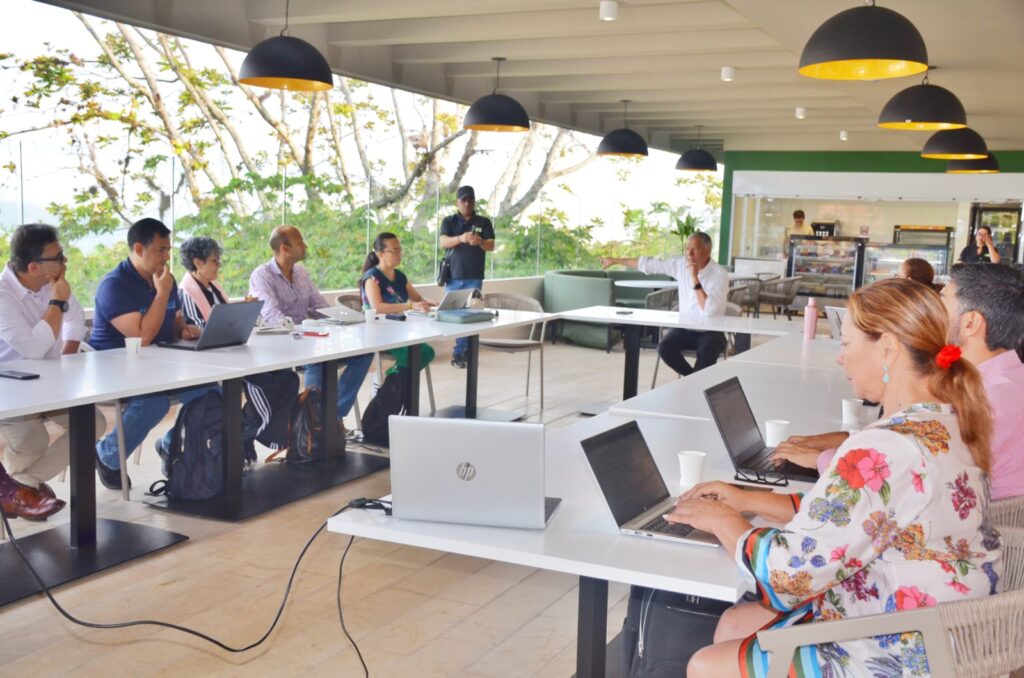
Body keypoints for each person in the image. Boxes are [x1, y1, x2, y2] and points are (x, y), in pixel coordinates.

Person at [670, 278, 1001, 678]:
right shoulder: (946, 420)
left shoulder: (886, 446)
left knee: (704, 665)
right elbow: (853, 516)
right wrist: (746, 499)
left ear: (888, 348)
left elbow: (790, 576)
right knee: (735, 625)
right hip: (949, 631)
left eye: (845, 344)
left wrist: (725, 522)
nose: (840, 358)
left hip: (906, 648)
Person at [775, 263, 1024, 502]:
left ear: (971, 323)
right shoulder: (1000, 382)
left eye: (942, 300)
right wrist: (832, 442)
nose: (930, 309)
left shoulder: (990, 401)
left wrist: (821, 458)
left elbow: (897, 479)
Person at [90, 218, 216, 490]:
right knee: (155, 401)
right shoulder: (115, 285)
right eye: (161, 250)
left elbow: (175, 322)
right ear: (138, 248)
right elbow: (142, 337)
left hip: (157, 365)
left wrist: (184, 330)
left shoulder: (164, 281)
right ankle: (106, 456)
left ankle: (172, 445)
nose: (166, 257)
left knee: (210, 394)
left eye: (168, 250)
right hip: (114, 368)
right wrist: (161, 294)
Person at [0, 223, 105, 519]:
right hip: (9, 388)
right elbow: (31, 349)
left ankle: (22, 486)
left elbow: (74, 322)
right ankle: (19, 494)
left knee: (92, 423)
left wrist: (68, 355)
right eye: (58, 257)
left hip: (51, 380)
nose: (64, 262)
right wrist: (56, 301)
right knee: (34, 441)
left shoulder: (54, 283)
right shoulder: (3, 295)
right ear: (34, 267)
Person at [178, 236, 299, 462]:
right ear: (198, 263)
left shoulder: (215, 288)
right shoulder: (187, 292)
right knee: (267, 385)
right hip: (213, 360)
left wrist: (246, 310)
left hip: (233, 352)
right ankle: (243, 436)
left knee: (289, 379)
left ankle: (248, 434)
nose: (219, 265)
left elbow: (225, 321)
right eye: (215, 261)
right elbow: (201, 331)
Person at [248, 225, 372, 428]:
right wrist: (306, 333)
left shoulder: (301, 272)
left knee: (363, 354)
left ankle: (331, 415)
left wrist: (341, 319)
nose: (305, 246)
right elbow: (272, 316)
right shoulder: (262, 275)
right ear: (284, 248)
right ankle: (314, 422)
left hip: (307, 339)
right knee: (318, 361)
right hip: (280, 343)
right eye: (300, 242)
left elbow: (319, 305)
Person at [601, 232, 729, 375]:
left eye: (694, 249)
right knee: (664, 347)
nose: (689, 253)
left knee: (706, 351)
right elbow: (648, 264)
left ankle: (694, 386)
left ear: (707, 251)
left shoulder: (719, 274)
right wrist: (615, 260)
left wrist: (694, 278)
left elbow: (709, 310)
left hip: (711, 331)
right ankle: (693, 380)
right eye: (687, 248)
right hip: (686, 327)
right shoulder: (680, 265)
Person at [360, 232, 437, 374]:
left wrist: (430, 302)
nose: (399, 254)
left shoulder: (400, 276)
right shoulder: (372, 277)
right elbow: (378, 308)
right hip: (378, 331)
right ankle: (393, 384)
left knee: (424, 352)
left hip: (399, 329)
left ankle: (395, 384)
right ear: (380, 254)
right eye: (394, 251)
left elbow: (417, 298)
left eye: (400, 250)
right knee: (418, 353)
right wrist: (409, 306)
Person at [439, 185, 494, 368]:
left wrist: (479, 241)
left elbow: (491, 245)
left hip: (474, 277)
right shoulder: (449, 221)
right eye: (463, 199)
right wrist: (461, 238)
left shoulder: (483, 222)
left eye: (470, 199)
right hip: (453, 276)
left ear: (474, 201)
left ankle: (462, 353)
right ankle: (462, 350)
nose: (467, 203)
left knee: (471, 315)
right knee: (451, 315)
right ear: (457, 202)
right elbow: (443, 242)